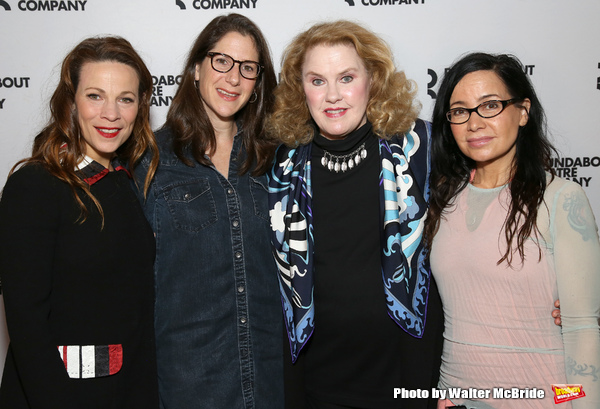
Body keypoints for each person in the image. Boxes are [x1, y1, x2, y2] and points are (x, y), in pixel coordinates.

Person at [267, 20, 444, 408]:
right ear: (301, 90)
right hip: (315, 385)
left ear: (373, 80)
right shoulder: (279, 167)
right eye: (317, 81)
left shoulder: (423, 149)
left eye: (346, 77)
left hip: (404, 379)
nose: (332, 96)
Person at [425, 52, 600, 408]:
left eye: (490, 105)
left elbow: (583, 331)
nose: (474, 123)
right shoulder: (443, 200)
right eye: (459, 111)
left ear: (522, 111)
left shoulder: (561, 199)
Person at [0, 36, 160, 409]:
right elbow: (27, 328)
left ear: (140, 106)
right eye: (95, 96)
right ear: (70, 102)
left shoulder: (126, 181)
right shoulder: (35, 185)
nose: (111, 114)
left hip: (129, 391)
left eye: (125, 98)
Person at [133, 13, 283, 409]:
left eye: (247, 68)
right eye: (221, 61)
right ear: (196, 68)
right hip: (187, 385)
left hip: (270, 382)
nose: (233, 78)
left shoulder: (275, 162)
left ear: (257, 84)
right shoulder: (151, 161)